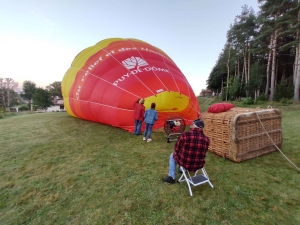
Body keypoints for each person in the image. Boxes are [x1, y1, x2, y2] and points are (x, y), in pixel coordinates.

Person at [162, 119, 210, 184]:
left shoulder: (185, 135)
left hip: (186, 162)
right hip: (199, 164)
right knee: (186, 155)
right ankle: (182, 169)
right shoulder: (206, 139)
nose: (191, 124)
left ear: (194, 125)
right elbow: (204, 151)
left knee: (172, 156)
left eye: (192, 124)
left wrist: (181, 152)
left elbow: (176, 149)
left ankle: (171, 177)